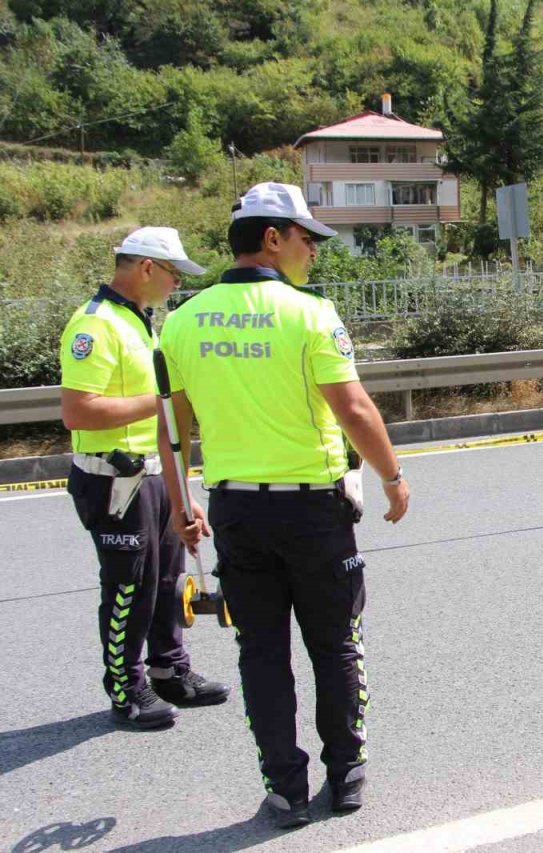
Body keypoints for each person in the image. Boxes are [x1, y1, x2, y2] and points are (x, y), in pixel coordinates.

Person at [158, 182, 410, 829]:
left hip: (236, 513)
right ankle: (346, 773)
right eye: (306, 238)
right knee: (336, 644)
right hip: (314, 512)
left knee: (261, 654)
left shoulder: (181, 321)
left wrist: (182, 504)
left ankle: (285, 791)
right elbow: (353, 407)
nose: (313, 252)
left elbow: (173, 431)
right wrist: (392, 477)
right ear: (272, 238)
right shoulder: (311, 313)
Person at [60, 227, 231, 730]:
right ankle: (127, 687)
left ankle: (169, 670)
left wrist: (181, 493)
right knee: (128, 588)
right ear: (146, 267)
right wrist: (162, 400)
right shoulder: (95, 325)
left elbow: (160, 425)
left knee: (166, 580)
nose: (177, 283)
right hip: (112, 481)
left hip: (151, 474)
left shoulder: (140, 322)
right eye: (174, 273)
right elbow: (78, 411)